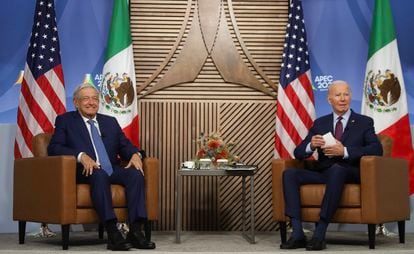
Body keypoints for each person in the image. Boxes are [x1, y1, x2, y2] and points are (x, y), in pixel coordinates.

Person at [48, 83, 155, 251]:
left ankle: (135, 231)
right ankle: (112, 232)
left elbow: (125, 145)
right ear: (76, 102)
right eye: (86, 98)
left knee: (135, 174)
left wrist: (136, 154)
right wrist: (80, 156)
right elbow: (54, 148)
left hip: (110, 168)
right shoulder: (66, 121)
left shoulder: (110, 122)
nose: (91, 102)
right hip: (85, 171)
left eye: (95, 99)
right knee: (99, 175)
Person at [280, 80, 383, 251]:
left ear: (350, 97)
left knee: (337, 170)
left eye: (346, 94)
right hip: (324, 172)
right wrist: (311, 145)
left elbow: (376, 149)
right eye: (338, 95)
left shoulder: (364, 122)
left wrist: (345, 151)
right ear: (329, 99)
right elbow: (298, 153)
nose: (343, 99)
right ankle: (297, 233)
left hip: (351, 171)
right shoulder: (320, 123)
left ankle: (320, 233)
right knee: (289, 174)